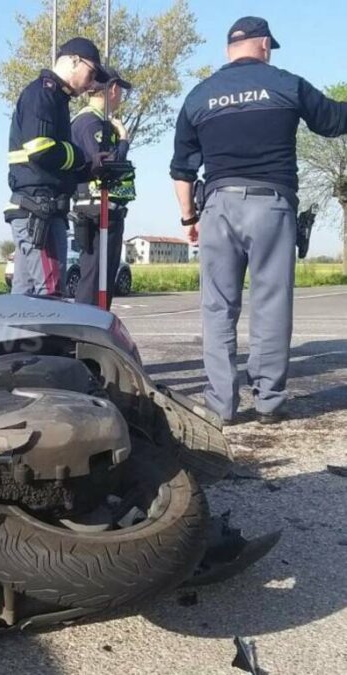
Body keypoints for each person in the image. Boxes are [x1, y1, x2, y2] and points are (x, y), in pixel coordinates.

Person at [170, 16, 347, 424]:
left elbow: (181, 168)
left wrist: (188, 219)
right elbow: (335, 120)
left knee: (217, 308)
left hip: (216, 207)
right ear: (264, 44)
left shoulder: (199, 95)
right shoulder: (287, 84)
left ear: (230, 49)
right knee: (270, 304)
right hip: (272, 206)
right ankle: (268, 402)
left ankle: (221, 405)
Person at [5, 37, 109, 296]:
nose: (92, 83)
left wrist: (91, 169)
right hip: (38, 211)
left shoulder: (55, 99)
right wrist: (82, 157)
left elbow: (54, 161)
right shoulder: (43, 94)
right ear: (74, 61)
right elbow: (40, 149)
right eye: (92, 72)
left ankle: (20, 339)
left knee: (25, 298)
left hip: (37, 208)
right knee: (49, 296)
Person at [70, 67, 135, 308]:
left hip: (103, 209)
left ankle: (92, 331)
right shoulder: (90, 123)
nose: (120, 97)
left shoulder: (93, 122)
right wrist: (124, 140)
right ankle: (86, 335)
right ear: (113, 89)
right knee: (96, 277)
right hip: (99, 210)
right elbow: (106, 164)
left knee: (102, 277)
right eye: (120, 91)